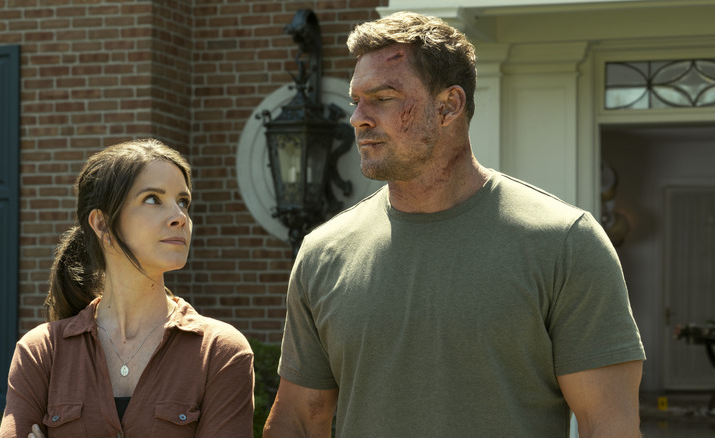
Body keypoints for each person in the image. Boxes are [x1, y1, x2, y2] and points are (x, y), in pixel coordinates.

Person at [263, 11, 645, 438]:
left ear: (448, 107)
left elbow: (607, 423)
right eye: (356, 100)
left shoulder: (565, 242)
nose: (358, 117)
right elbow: (298, 419)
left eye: (383, 97)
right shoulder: (323, 253)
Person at [0, 139, 254, 438]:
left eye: (183, 202)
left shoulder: (220, 352)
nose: (180, 217)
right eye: (152, 199)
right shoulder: (41, 353)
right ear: (102, 223)